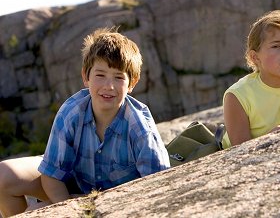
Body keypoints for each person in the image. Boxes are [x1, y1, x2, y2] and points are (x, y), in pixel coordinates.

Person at [0, 27, 170, 217]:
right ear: (85, 77)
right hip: (73, 185)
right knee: (3, 176)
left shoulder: (139, 128)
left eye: (118, 77)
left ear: (132, 83)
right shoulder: (72, 112)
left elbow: (158, 184)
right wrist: (67, 209)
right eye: (100, 75)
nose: (109, 86)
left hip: (118, 200)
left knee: (34, 212)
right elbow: (51, 174)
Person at [222, 10, 280, 148]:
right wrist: (267, 140)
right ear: (255, 57)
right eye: (275, 46)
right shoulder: (237, 96)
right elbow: (239, 151)